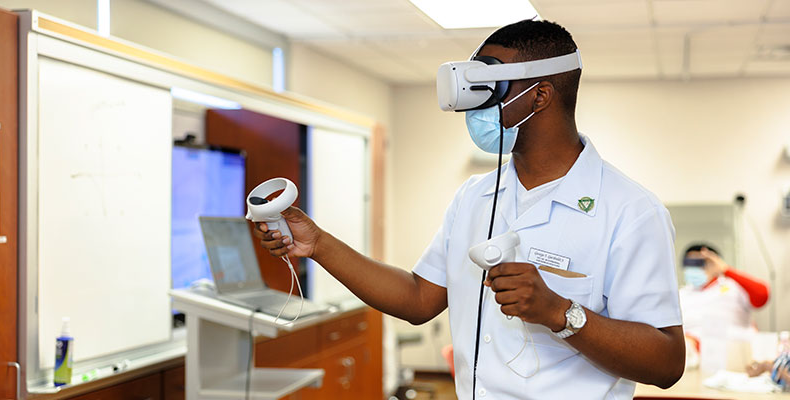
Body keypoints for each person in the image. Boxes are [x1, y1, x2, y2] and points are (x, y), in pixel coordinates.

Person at [256, 19, 685, 399]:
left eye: (491, 89)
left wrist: (559, 312)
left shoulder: (630, 210)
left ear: (540, 96)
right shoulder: (474, 197)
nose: (477, 105)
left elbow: (666, 363)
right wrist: (319, 245)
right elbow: (419, 298)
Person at [680, 244, 770, 345]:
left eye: (699, 262)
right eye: (689, 263)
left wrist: (725, 269)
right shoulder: (682, 295)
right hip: (695, 351)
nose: (694, 268)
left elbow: (762, 296)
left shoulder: (733, 286)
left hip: (736, 350)